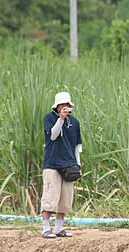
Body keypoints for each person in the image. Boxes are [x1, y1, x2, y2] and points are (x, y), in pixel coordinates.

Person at [40, 91, 82, 238]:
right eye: (62, 105)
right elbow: (53, 135)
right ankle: (46, 228)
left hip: (69, 164)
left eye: (67, 105)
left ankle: (59, 228)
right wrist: (61, 119)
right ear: (57, 106)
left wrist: (78, 166)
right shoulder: (49, 118)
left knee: (65, 199)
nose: (65, 107)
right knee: (50, 197)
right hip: (52, 163)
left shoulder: (75, 122)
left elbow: (77, 146)